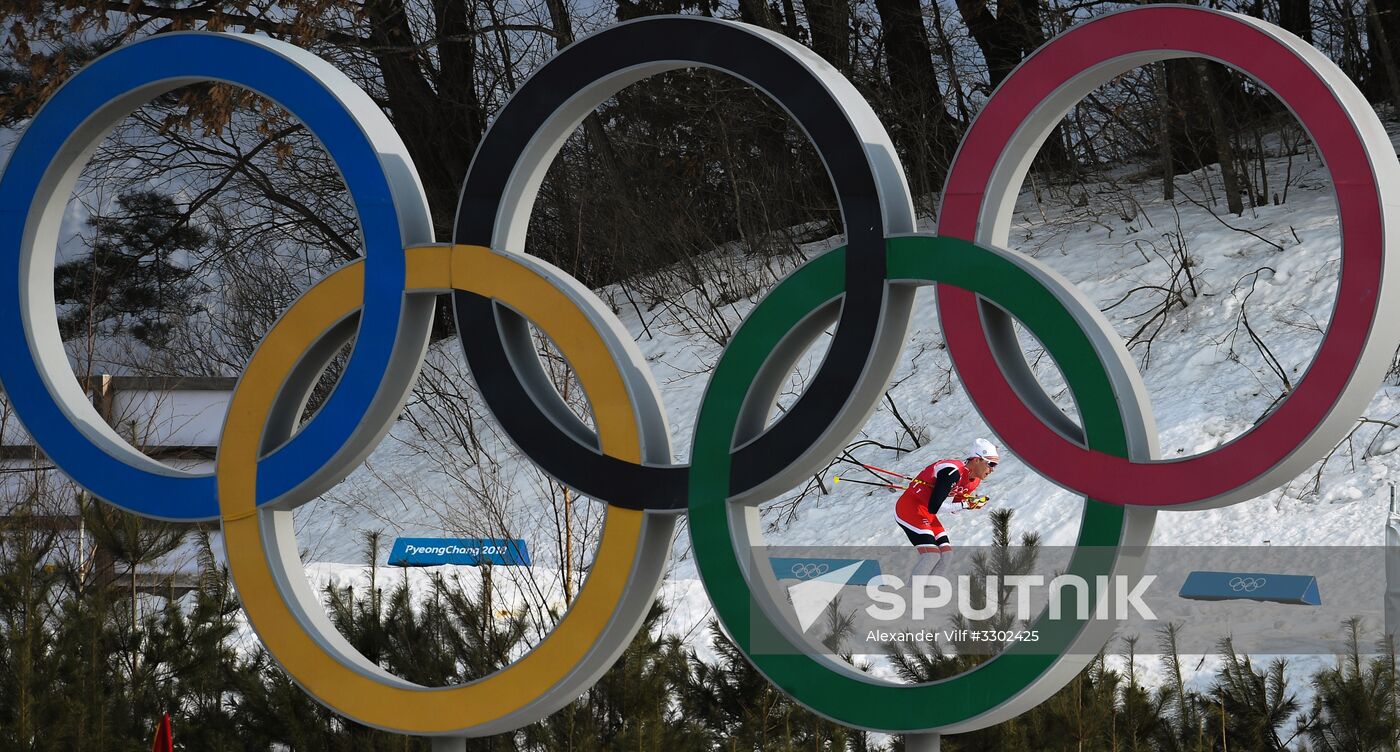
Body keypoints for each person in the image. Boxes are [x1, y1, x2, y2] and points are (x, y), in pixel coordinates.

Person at [895, 438, 999, 580]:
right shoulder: (952, 471)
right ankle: (911, 594)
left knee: (947, 556)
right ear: (977, 460)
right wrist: (965, 505)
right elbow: (934, 506)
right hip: (910, 507)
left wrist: (970, 504)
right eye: (990, 464)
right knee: (931, 555)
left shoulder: (974, 481)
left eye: (995, 465)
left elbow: (953, 509)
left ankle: (930, 591)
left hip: (927, 511)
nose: (993, 469)